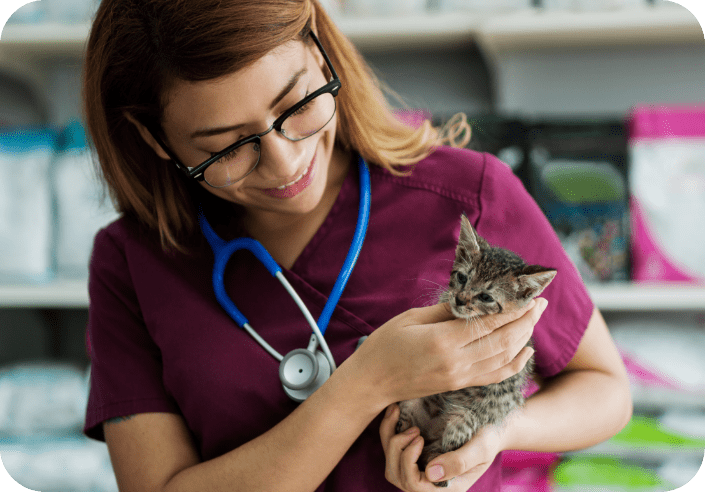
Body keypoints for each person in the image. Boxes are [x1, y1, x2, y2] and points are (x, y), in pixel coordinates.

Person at [81, 1, 633, 491]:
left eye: (297, 104)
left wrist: (496, 433)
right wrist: (366, 383)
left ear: (321, 51)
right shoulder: (131, 262)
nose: (286, 162)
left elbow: (605, 389)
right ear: (156, 140)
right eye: (228, 147)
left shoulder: (468, 195)